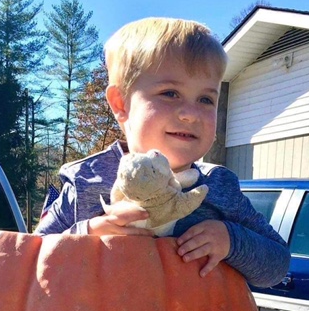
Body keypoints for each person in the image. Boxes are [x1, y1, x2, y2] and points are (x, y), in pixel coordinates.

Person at [34, 17, 290, 287]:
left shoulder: (218, 186)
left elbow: (278, 266)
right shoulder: (87, 179)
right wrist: (85, 234)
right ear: (121, 104)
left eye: (206, 99)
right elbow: (32, 257)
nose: (191, 114)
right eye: (170, 93)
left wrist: (231, 240)